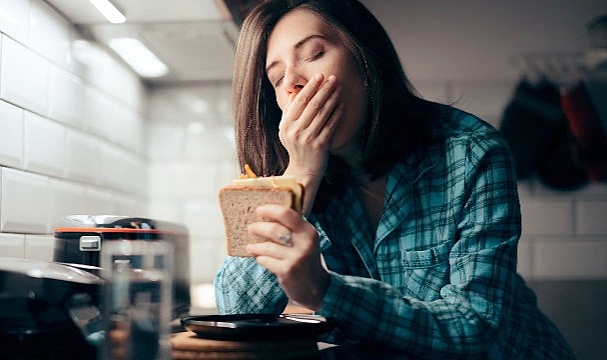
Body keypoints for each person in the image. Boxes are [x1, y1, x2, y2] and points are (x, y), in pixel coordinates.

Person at [214, 0, 574, 358]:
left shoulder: (471, 151)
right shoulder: (299, 177)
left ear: (365, 60)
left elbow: (474, 325)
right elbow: (235, 310)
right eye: (277, 78)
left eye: (314, 53)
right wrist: (300, 177)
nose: (293, 82)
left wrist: (325, 290)